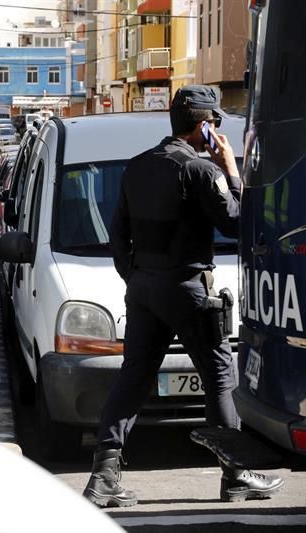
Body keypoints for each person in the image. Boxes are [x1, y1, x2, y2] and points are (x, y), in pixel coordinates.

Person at [83, 85, 284, 507]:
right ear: (203, 126)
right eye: (214, 123)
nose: (216, 131)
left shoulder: (137, 167)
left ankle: (104, 476)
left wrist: (135, 278)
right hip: (187, 288)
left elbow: (117, 233)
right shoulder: (200, 169)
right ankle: (236, 475)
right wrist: (230, 167)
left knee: (134, 377)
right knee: (219, 376)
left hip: (143, 289)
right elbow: (235, 223)